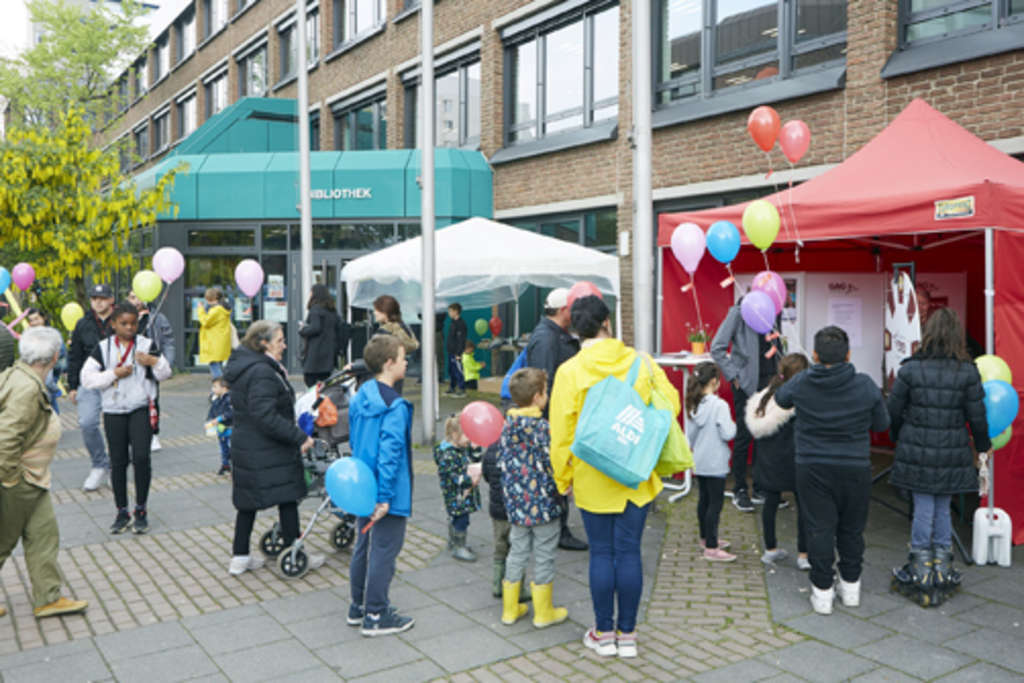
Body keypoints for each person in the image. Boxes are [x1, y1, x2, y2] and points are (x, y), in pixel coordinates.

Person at [550, 295, 681, 659]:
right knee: (629, 553)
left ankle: (603, 633)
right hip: (634, 472)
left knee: (601, 554)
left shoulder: (569, 372)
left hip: (591, 475)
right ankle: (629, 636)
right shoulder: (641, 362)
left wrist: (563, 480)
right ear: (608, 322)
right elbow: (671, 407)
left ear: (575, 328)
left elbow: (560, 433)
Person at [774, 326, 890, 615]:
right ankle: (851, 588)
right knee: (852, 529)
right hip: (854, 467)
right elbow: (881, 425)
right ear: (848, 355)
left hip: (812, 466)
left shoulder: (801, 382)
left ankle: (822, 592)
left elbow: (780, 399)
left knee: (819, 528)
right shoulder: (864, 385)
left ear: (814, 355)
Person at [887, 308, 989, 606]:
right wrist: (982, 447)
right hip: (952, 449)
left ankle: (920, 565)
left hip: (916, 447)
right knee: (942, 506)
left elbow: (892, 411)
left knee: (923, 506)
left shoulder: (910, 369)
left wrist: (897, 437)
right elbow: (978, 418)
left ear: (927, 334)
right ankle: (942, 564)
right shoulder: (968, 371)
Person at [0, 327, 89, 619]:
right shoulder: (26, 388)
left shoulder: (19, 375)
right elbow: (7, 436)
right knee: (4, 541)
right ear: (54, 357)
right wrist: (10, 478)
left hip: (32, 478)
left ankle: (48, 597)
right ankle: (47, 597)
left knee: (43, 535)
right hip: (18, 479)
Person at [222, 321, 321, 575]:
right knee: (288, 497)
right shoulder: (262, 372)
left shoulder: (245, 365)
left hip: (247, 443)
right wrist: (299, 437)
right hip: (268, 445)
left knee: (248, 502)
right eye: (279, 341)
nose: (284, 345)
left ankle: (240, 556)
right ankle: (294, 550)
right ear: (263, 343)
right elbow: (264, 414)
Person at [80, 302, 172, 535]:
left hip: (140, 408)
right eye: (123, 323)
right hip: (113, 411)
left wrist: (154, 362)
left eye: (133, 323)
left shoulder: (146, 345)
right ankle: (122, 511)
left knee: (141, 457)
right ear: (113, 324)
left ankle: (141, 508)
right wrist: (114, 374)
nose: (129, 328)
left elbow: (165, 373)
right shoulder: (103, 348)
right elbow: (87, 379)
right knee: (118, 462)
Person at [347, 334, 416, 636]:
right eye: (402, 358)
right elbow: (390, 454)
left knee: (364, 545)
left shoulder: (361, 396)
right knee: (385, 550)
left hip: (363, 484)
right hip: (387, 488)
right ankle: (375, 614)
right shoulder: (395, 406)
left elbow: (353, 439)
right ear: (389, 363)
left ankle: (358, 606)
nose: (406, 362)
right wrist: (385, 496)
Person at [499, 367, 568, 629]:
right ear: (538, 397)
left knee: (516, 552)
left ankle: (509, 609)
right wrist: (564, 487)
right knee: (544, 554)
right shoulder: (542, 428)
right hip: (544, 505)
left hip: (516, 505)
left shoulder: (508, 426)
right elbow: (555, 462)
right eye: (546, 391)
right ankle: (543, 612)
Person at [525, 288, 588, 552]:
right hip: (553, 420)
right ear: (564, 310)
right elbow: (543, 382)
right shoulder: (547, 340)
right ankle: (557, 530)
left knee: (555, 476)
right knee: (555, 475)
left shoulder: (552, 335)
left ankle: (554, 527)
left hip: (555, 417)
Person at [710, 296, 782, 512]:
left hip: (770, 382)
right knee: (744, 435)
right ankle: (739, 489)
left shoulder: (773, 311)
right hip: (747, 383)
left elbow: (776, 343)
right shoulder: (739, 311)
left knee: (766, 435)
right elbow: (717, 347)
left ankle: (761, 487)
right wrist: (733, 375)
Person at [746, 353, 811, 569]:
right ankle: (804, 554)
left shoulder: (764, 397)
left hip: (769, 461)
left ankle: (770, 550)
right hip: (797, 460)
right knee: (804, 507)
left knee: (770, 505)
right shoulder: (802, 399)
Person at [685, 362, 738, 562]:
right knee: (715, 505)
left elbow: (689, 435)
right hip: (716, 462)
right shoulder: (719, 405)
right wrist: (734, 425)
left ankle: (705, 538)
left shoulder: (692, 403)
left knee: (703, 501)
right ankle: (712, 547)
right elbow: (728, 433)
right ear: (714, 382)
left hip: (699, 459)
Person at [67, 283, 115, 492]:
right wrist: (73, 385)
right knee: (87, 423)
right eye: (95, 298)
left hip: (116, 380)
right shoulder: (83, 324)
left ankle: (116, 467)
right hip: (90, 380)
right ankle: (99, 464)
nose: (98, 302)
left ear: (111, 300)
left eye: (102, 298)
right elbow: (75, 355)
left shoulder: (121, 320)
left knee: (117, 426)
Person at [481, 440, 530, 603]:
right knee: (517, 549)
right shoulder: (519, 449)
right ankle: (518, 589)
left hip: (496, 509)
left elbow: (486, 475)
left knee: (500, 545)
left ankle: (497, 584)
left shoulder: (491, 449)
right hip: (515, 510)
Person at [129, 290, 176, 452]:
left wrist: (166, 363)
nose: (136, 301)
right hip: (129, 366)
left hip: (150, 365)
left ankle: (154, 434)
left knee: (152, 400)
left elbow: (168, 340)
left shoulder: (157, 317)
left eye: (139, 296)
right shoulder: (124, 318)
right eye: (133, 297)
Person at [433, 416, 482, 562]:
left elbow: (474, 460)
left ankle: (454, 542)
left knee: (457, 517)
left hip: (462, 494)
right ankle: (459, 546)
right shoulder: (449, 455)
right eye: (467, 435)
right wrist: (470, 481)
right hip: (456, 495)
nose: (469, 439)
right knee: (461, 519)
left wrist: (476, 449)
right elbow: (455, 477)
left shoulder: (461, 447)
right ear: (455, 434)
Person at [299, 284, 349, 388]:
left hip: (315, 354)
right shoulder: (332, 311)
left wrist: (303, 330)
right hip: (329, 355)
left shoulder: (315, 310)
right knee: (326, 384)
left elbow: (315, 328)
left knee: (310, 381)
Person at [371, 295, 419, 395]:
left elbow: (374, 357)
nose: (374, 313)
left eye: (377, 310)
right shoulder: (403, 327)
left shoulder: (383, 332)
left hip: (384, 376)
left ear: (385, 311)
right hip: (397, 374)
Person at [26, 308, 66, 414]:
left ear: (43, 318)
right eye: (31, 320)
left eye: (36, 319)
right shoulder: (30, 335)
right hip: (37, 370)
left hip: (51, 367)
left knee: (48, 393)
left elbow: (61, 352)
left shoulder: (52, 333)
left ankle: (53, 419)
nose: (34, 323)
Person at [197, 287, 231, 379]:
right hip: (220, 341)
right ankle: (217, 390)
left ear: (212, 299)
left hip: (214, 342)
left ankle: (220, 389)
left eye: (208, 299)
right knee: (218, 365)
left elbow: (205, 322)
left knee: (215, 367)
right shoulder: (223, 308)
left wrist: (200, 310)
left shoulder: (217, 310)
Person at [207, 377, 234, 475]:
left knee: (230, 447)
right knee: (223, 447)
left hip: (229, 427)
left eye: (215, 387)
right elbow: (212, 411)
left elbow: (231, 413)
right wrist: (209, 420)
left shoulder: (229, 399)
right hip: (220, 427)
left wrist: (219, 418)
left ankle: (232, 465)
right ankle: (225, 464)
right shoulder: (216, 399)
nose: (212, 389)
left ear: (224, 388)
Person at [444, 303, 468, 397]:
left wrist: (458, 353)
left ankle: (462, 389)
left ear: (456, 311)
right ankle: (452, 387)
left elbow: (461, 340)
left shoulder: (461, 324)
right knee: (451, 370)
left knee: (458, 371)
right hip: (451, 352)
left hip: (456, 353)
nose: (449, 313)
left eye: (450, 311)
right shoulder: (453, 323)